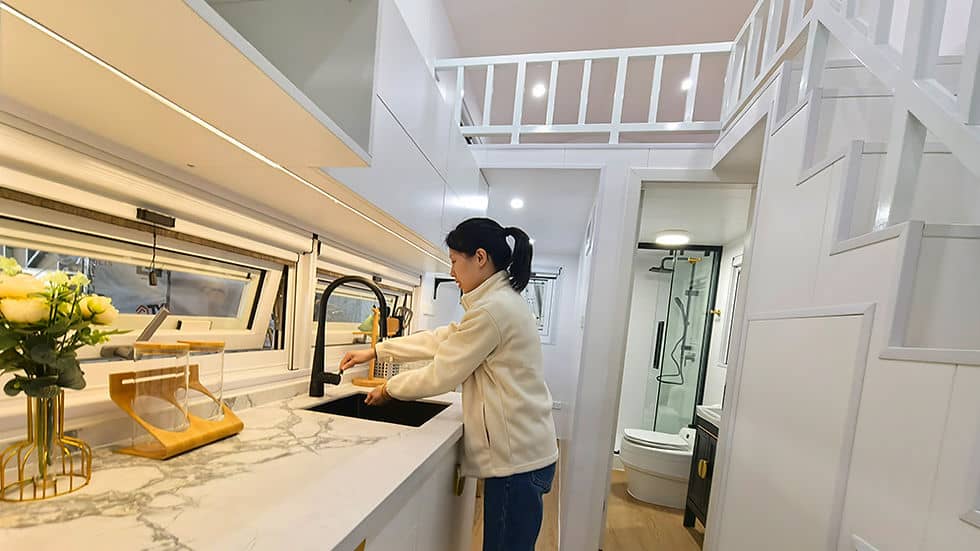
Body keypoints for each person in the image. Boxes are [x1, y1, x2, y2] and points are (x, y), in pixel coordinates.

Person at [340, 217, 559, 551]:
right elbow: (444, 338)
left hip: (517, 463)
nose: (452, 271)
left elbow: (442, 374)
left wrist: (389, 389)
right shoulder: (497, 302)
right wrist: (377, 350)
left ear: (480, 258)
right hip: (527, 453)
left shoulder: (492, 310)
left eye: (455, 261)